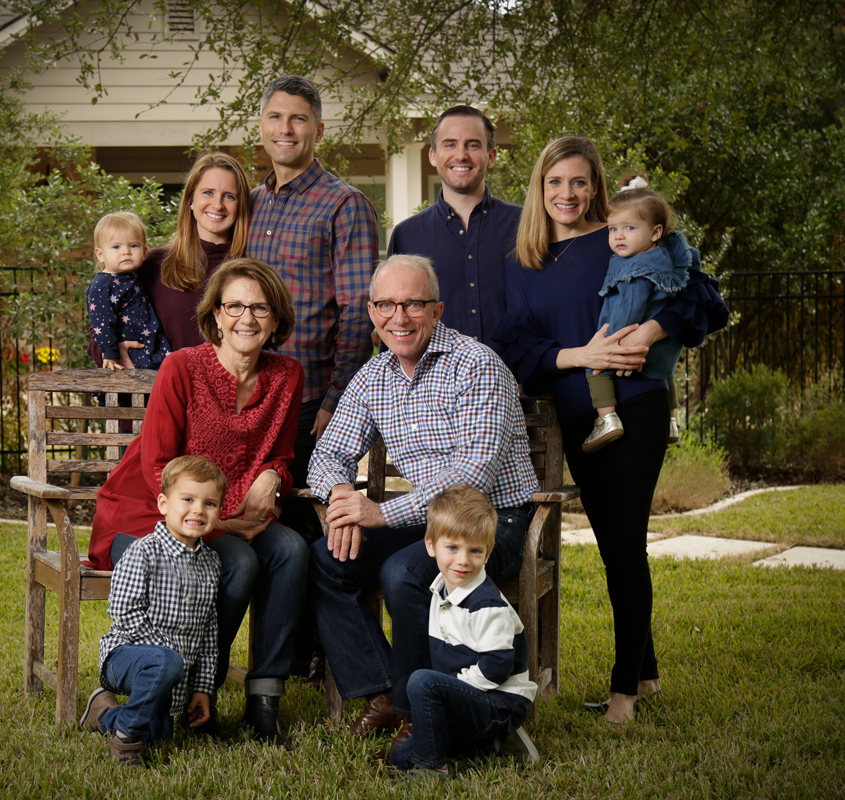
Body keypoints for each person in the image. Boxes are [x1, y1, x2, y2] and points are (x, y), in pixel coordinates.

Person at [494, 136, 729, 724]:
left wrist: (651, 332)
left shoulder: (623, 237)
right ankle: (644, 673)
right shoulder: (523, 263)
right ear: (538, 189)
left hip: (637, 402)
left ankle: (623, 692)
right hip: (580, 411)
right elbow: (518, 345)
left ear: (596, 188)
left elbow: (699, 292)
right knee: (610, 542)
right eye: (555, 182)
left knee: (624, 543)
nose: (567, 194)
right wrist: (574, 355)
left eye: (579, 182)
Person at [307, 254, 539, 753]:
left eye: (413, 304)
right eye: (387, 305)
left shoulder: (477, 365)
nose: (400, 317)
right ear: (372, 312)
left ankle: (421, 714)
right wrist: (341, 494)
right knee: (326, 558)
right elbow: (328, 453)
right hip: (427, 520)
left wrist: (380, 513)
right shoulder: (374, 377)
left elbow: (473, 475)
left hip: (490, 522)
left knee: (403, 572)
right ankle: (383, 693)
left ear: (437, 310)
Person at [87, 258, 308, 746]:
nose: (246, 318)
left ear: (276, 320)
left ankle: (263, 701)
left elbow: (284, 455)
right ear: (216, 313)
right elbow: (155, 468)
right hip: (155, 513)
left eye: (260, 308)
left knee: (292, 549)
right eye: (234, 306)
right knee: (240, 562)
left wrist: (275, 473)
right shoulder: (181, 366)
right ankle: (186, 689)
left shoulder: (287, 375)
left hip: (227, 517)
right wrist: (218, 527)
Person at [247, 74, 379, 489]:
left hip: (309, 399)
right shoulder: (251, 203)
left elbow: (358, 312)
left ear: (318, 130)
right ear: (262, 126)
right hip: (247, 392)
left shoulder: (344, 204)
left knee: (302, 520)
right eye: (275, 117)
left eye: (298, 119)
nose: (285, 130)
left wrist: (336, 402)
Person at [80, 455, 226, 768]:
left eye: (210, 503)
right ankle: (126, 739)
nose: (198, 509)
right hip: (126, 657)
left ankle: (104, 714)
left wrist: (201, 688)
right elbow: (124, 612)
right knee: (164, 663)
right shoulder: (144, 552)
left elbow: (209, 633)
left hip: (174, 674)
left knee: (158, 737)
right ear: (163, 503)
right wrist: (169, 656)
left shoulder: (212, 564)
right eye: (187, 499)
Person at [388, 484, 539, 783]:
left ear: (488, 552)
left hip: (498, 703)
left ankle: (435, 768)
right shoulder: (439, 591)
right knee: (401, 756)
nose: (462, 560)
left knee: (422, 681)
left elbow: (497, 668)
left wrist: (448, 690)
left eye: (475, 551)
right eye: (452, 548)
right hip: (468, 699)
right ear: (431, 546)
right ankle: (492, 742)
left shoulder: (486, 604)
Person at [88, 150, 253, 366]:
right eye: (208, 193)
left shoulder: (251, 269)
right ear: (190, 200)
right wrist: (112, 350)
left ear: (241, 205)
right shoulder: (153, 264)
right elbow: (100, 322)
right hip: (160, 393)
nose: (218, 205)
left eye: (229, 196)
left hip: (228, 394)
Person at [386, 106, 521, 350]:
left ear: (491, 156)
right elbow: (395, 323)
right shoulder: (407, 236)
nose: (461, 155)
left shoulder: (526, 226)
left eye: (473, 145)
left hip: (517, 384)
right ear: (433, 156)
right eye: (449, 144)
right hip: (435, 386)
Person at [584, 177, 697, 452]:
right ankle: (672, 420)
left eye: (629, 228)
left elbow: (629, 309)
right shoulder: (661, 257)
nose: (618, 236)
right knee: (666, 373)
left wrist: (614, 345)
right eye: (613, 229)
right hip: (658, 355)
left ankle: (607, 419)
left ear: (656, 232)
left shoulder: (634, 269)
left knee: (594, 368)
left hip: (628, 342)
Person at [86, 211, 171, 370]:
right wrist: (110, 353)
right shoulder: (103, 285)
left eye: (133, 245)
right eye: (116, 246)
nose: (126, 251)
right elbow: (102, 321)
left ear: (144, 252)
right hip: (132, 352)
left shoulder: (133, 276)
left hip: (152, 345)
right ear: (101, 254)